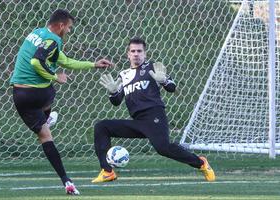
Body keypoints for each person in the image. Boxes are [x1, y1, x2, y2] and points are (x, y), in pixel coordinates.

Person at [10, 9, 113, 195]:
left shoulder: (37, 33)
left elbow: (65, 61)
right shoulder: (54, 40)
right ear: (61, 25)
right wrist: (54, 76)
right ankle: (46, 119)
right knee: (50, 89)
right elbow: (36, 62)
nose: (69, 31)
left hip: (18, 94)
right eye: (69, 27)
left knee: (45, 137)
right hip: (38, 94)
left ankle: (68, 183)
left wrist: (93, 64)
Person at [92, 37, 215, 183]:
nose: (136, 54)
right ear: (128, 54)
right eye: (133, 51)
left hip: (154, 117)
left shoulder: (152, 68)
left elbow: (172, 87)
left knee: (163, 148)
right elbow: (116, 102)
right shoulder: (124, 75)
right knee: (102, 127)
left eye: (139, 51)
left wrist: (163, 80)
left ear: (145, 53)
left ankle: (201, 163)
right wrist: (113, 92)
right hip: (138, 122)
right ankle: (107, 171)